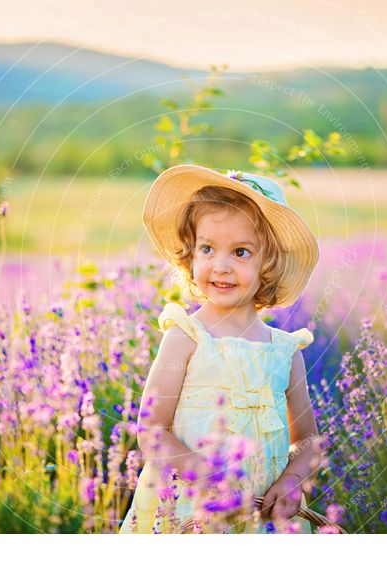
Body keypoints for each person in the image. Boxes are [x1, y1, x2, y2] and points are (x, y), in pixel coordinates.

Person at [118, 164, 322, 533]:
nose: (221, 266)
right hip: (187, 508)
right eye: (207, 248)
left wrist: (292, 480)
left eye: (241, 252)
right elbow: (152, 428)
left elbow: (307, 439)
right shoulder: (186, 337)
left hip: (262, 516)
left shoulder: (284, 351)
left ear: (269, 263)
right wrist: (208, 480)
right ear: (190, 256)